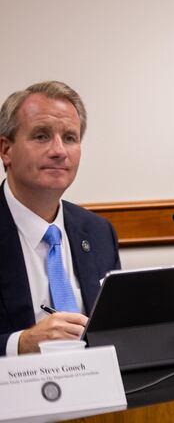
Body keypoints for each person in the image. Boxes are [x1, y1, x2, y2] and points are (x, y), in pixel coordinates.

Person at [0, 81, 120, 356]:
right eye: (41, 136)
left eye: (69, 138)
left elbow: (114, 330)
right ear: (6, 150)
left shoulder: (99, 232)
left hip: (96, 387)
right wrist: (19, 344)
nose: (59, 151)